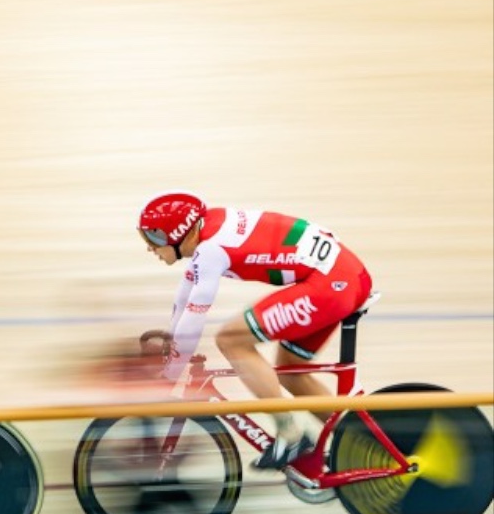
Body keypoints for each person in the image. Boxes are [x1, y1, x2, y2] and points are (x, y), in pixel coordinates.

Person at [137, 193, 374, 470]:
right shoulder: (208, 230)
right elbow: (183, 301)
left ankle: (291, 435)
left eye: (154, 238)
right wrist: (171, 346)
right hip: (341, 277)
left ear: (177, 233)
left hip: (332, 283)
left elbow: (194, 318)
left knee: (231, 339)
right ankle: (365, 443)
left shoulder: (210, 249)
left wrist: (169, 376)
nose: (150, 247)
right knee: (291, 371)